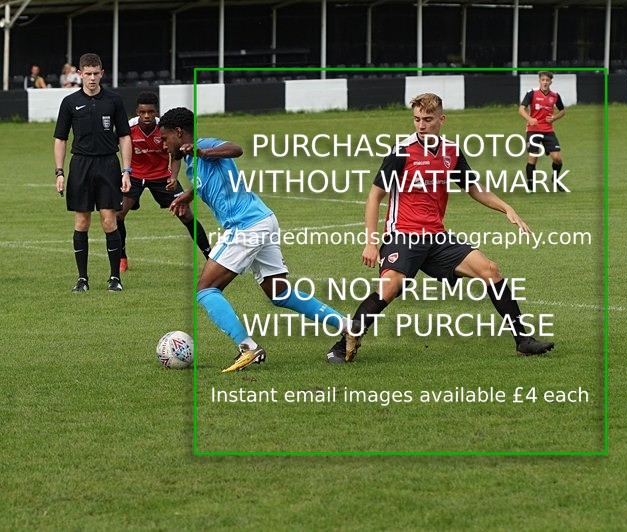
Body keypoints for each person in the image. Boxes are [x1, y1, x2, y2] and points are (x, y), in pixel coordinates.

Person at [326, 92, 555, 364]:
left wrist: (507, 208)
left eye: (427, 119)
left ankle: (523, 341)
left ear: (441, 119)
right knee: (389, 288)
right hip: (403, 235)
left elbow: (474, 188)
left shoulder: (451, 152)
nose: (421, 125)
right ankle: (342, 345)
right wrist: (371, 242)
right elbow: (375, 196)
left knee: (489, 270)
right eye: (416, 119)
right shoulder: (401, 152)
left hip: (436, 237)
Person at [161, 107, 351, 373]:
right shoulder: (191, 163)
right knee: (280, 293)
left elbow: (235, 149)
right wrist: (187, 196)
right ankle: (347, 327)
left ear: (179, 133)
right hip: (263, 220)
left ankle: (247, 347)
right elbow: (211, 182)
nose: (164, 143)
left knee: (205, 290)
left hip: (245, 226)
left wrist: (203, 152)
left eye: (165, 137)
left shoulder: (204, 146)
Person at [54, 53, 132, 292]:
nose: (92, 78)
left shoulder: (114, 100)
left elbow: (124, 136)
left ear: (102, 73)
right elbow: (60, 139)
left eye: (96, 73)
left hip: (108, 164)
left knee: (109, 221)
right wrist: (59, 172)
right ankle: (82, 279)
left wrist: (126, 170)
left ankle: (114, 278)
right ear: (79, 73)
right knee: (82, 221)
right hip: (81, 165)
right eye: (87, 74)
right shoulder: (69, 103)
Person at [117, 91, 212, 272]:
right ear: (137, 111)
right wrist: (125, 173)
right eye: (143, 112)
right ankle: (122, 257)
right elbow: (116, 147)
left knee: (186, 214)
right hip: (135, 176)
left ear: (156, 111)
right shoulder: (128, 128)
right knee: (118, 214)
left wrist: (173, 176)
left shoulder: (164, 127)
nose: (146, 116)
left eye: (151, 112)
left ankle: (209, 256)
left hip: (161, 177)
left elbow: (176, 153)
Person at [518, 71, 566, 192]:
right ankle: (530, 186)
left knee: (557, 158)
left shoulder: (555, 96)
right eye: (543, 80)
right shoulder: (532, 93)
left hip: (548, 131)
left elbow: (562, 111)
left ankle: (555, 179)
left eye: (547, 80)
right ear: (539, 81)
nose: (545, 82)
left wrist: (554, 117)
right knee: (533, 157)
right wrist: (530, 119)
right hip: (533, 131)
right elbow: (521, 109)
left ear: (551, 82)